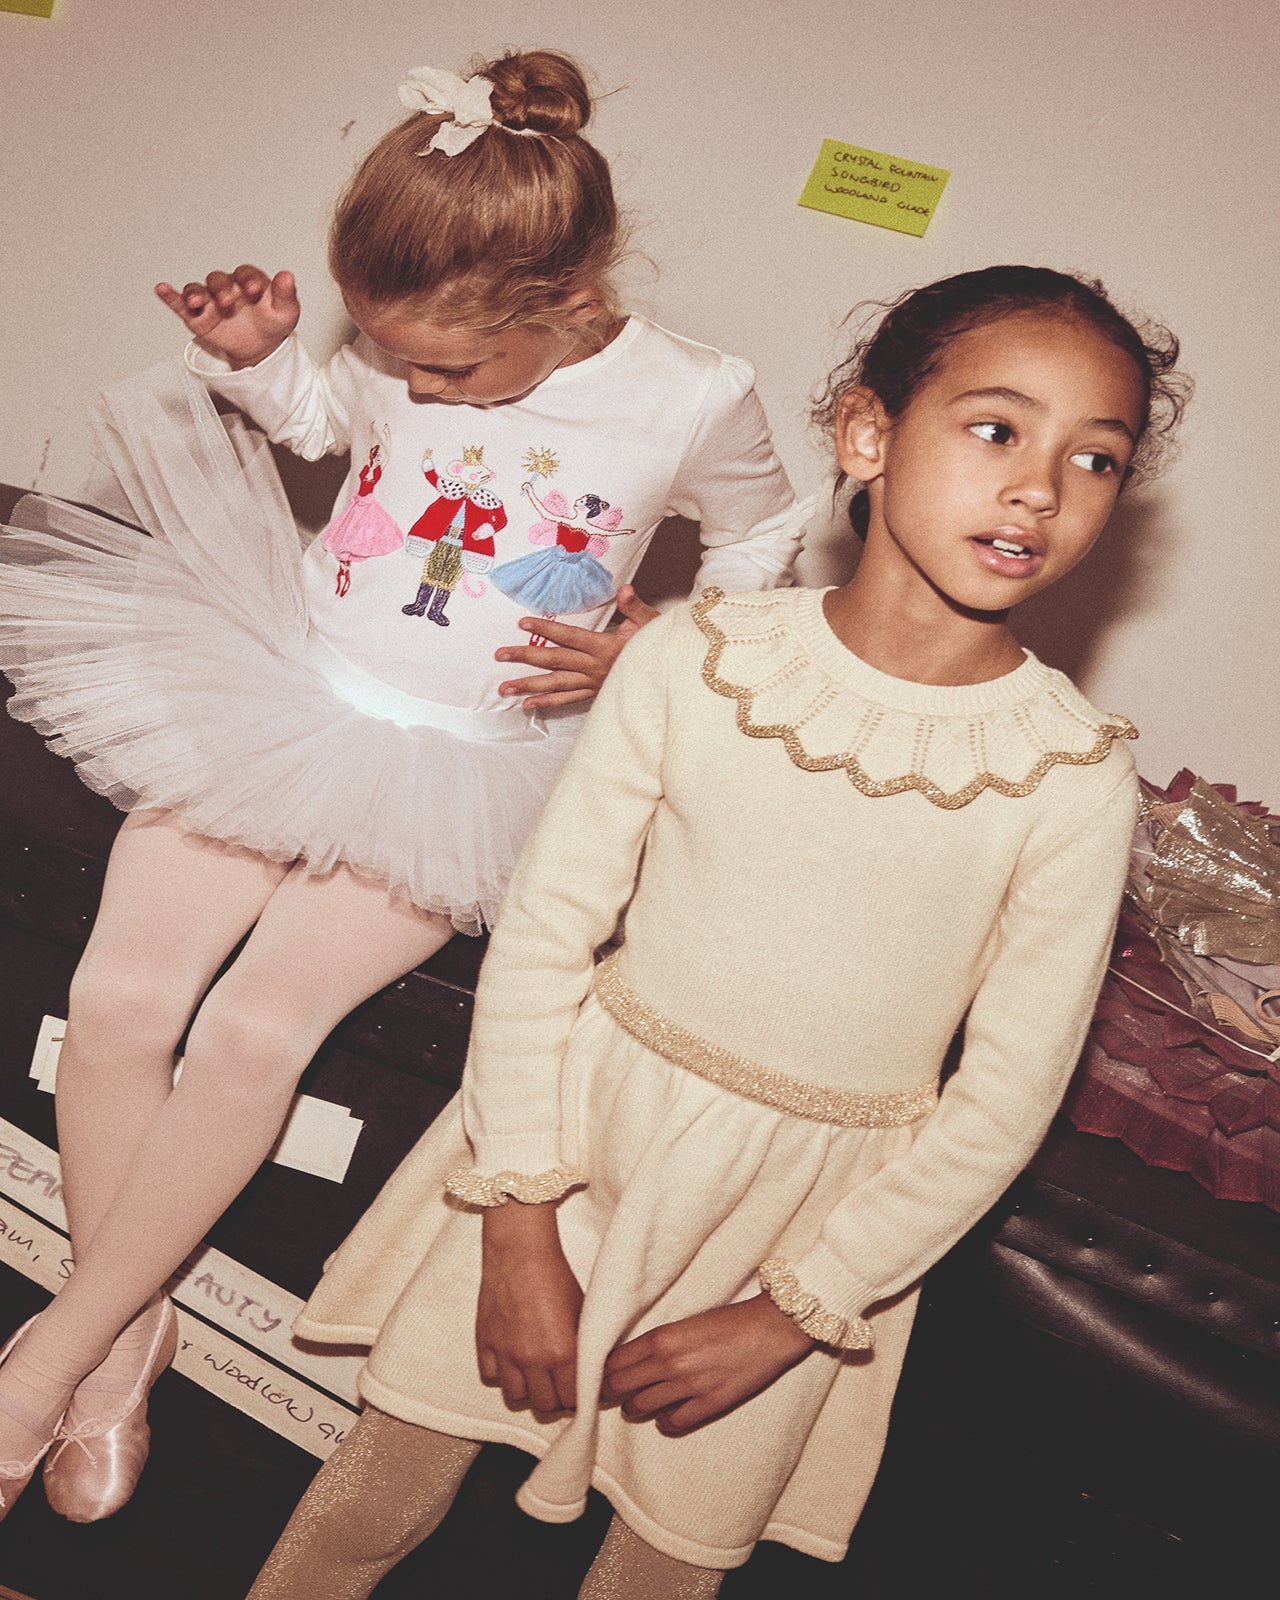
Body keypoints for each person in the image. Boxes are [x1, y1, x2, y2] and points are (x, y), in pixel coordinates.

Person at [245, 265, 1190, 1599]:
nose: (1042, 488)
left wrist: (798, 1310)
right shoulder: (694, 658)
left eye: (1095, 460)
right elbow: (544, 942)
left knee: (664, 1564)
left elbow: (1004, 1104)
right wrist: (519, 1222)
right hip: (567, 1151)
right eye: (997, 430)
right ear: (867, 435)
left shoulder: (1073, 774)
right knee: (370, 1498)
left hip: (811, 1233)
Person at [0, 50, 799, 1525]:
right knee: (117, 1000)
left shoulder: (694, 393)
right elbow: (326, 421)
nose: (420, 389)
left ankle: (41, 1364)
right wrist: (260, 362)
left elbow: (763, 540)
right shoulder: (402, 350)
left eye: (450, 371)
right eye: (396, 358)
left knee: (253, 1028)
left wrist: (663, 637)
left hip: (465, 766)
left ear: (565, 298)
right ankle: (118, 1350)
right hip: (272, 692)